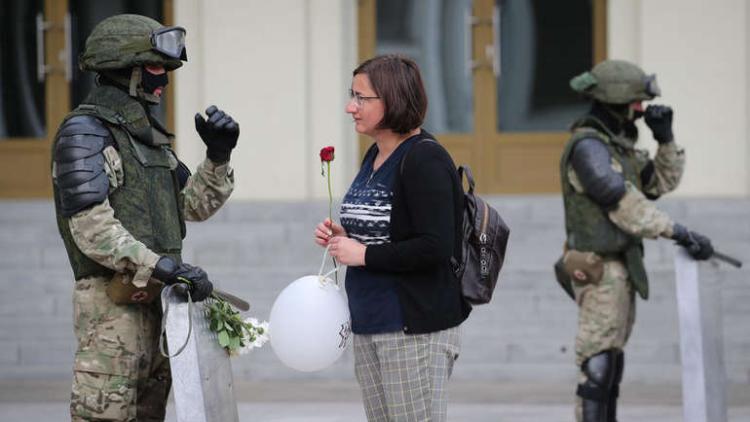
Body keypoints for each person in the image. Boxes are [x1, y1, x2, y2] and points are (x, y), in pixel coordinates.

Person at [51, 14, 239, 421]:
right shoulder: (83, 133)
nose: (164, 80)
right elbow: (91, 228)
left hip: (159, 306)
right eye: (156, 68)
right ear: (124, 70)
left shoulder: (149, 139)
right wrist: (163, 266)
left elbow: (192, 207)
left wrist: (218, 158)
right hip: (110, 311)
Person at [313, 54, 470, 422]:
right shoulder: (376, 155)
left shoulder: (424, 160)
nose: (350, 107)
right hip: (370, 320)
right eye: (351, 95)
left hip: (412, 326)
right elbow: (390, 231)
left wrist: (363, 254)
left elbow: (435, 245)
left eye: (361, 98)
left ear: (393, 99)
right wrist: (344, 237)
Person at [559, 59, 714, 422]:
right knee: (596, 366)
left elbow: (659, 184)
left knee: (611, 362)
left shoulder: (618, 147)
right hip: (597, 269)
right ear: (617, 101)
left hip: (620, 266)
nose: (641, 112)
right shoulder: (589, 148)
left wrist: (666, 139)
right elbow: (622, 203)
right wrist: (678, 231)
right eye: (637, 105)